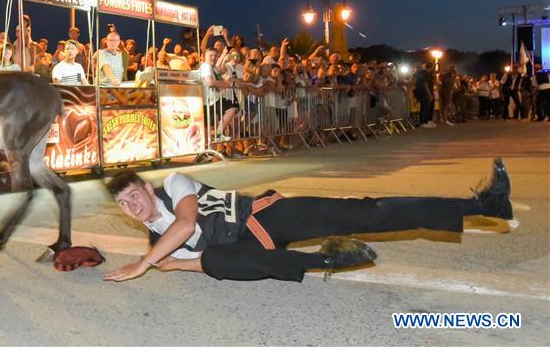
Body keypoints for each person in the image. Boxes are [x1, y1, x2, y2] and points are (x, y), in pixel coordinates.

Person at [103, 159, 513, 283]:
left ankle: (484, 206)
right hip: (250, 248)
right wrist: (178, 263)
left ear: (144, 185)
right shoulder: (156, 236)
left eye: (132, 195)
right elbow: (201, 253)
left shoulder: (174, 184)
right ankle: (329, 261)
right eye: (122, 204)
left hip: (268, 216)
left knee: (368, 212)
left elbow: (188, 224)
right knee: (215, 264)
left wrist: (145, 262)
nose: (131, 206)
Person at [413, 62, 436, 127]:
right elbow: (425, 85)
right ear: (431, 67)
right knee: (425, 107)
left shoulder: (428, 74)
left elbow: (430, 84)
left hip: (427, 93)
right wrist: (429, 94)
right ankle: (423, 122)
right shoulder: (425, 73)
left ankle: (427, 121)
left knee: (428, 107)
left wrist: (432, 93)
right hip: (425, 93)